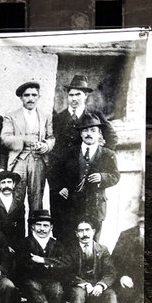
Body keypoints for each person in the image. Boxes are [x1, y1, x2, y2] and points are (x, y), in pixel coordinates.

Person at [49, 74, 117, 223]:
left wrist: (100, 156)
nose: (74, 99)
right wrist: (57, 182)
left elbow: (112, 137)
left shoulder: (95, 115)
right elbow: (53, 151)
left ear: (85, 95)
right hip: (65, 177)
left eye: (78, 94)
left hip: (87, 175)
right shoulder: (58, 119)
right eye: (71, 95)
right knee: (64, 220)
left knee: (88, 219)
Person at [57, 113, 120, 241]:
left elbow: (115, 176)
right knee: (72, 240)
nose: (89, 134)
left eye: (93, 130)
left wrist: (102, 177)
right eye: (85, 130)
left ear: (99, 133)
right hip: (73, 205)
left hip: (95, 205)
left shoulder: (107, 154)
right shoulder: (70, 153)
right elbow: (58, 172)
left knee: (93, 242)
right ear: (81, 134)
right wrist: (60, 187)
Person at [61, 219, 120, 303]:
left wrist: (101, 285)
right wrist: (84, 284)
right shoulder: (70, 250)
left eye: (87, 230)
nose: (84, 234)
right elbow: (66, 272)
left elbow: (111, 272)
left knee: (110, 294)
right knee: (78, 292)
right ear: (76, 233)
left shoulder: (103, 250)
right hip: (78, 289)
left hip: (98, 291)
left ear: (93, 231)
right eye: (81, 231)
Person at [1, 81, 55, 212]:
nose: (30, 99)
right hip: (18, 160)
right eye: (26, 95)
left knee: (37, 199)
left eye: (34, 95)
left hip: (38, 161)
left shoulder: (45, 116)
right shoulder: (11, 116)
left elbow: (51, 137)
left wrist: (46, 146)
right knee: (16, 198)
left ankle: (34, 225)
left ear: (39, 97)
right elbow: (5, 139)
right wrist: (24, 140)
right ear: (21, 97)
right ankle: (16, 225)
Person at [17, 210, 66, 303]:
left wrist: (42, 260)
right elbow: (23, 264)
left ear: (51, 227)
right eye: (38, 225)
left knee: (57, 290)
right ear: (32, 226)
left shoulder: (57, 244)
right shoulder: (24, 243)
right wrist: (51, 265)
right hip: (30, 279)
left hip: (51, 280)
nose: (42, 229)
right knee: (33, 287)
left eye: (45, 225)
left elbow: (64, 264)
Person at [111, 224, 143, 303]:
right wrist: (122, 276)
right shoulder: (127, 235)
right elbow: (115, 261)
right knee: (126, 293)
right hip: (132, 281)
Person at [0, 171, 26, 247]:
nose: (6, 185)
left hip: (13, 244)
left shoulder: (19, 204)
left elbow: (21, 229)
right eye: (3, 182)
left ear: (13, 184)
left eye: (9, 182)